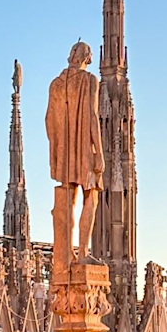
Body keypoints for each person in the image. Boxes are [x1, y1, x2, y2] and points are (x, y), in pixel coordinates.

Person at [44, 43, 103, 270]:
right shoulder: (89, 81)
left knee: (66, 198)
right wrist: (98, 152)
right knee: (92, 197)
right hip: (84, 152)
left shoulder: (55, 85)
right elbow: (92, 117)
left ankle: (63, 255)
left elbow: (49, 120)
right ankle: (83, 253)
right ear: (86, 58)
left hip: (64, 154)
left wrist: (58, 150)